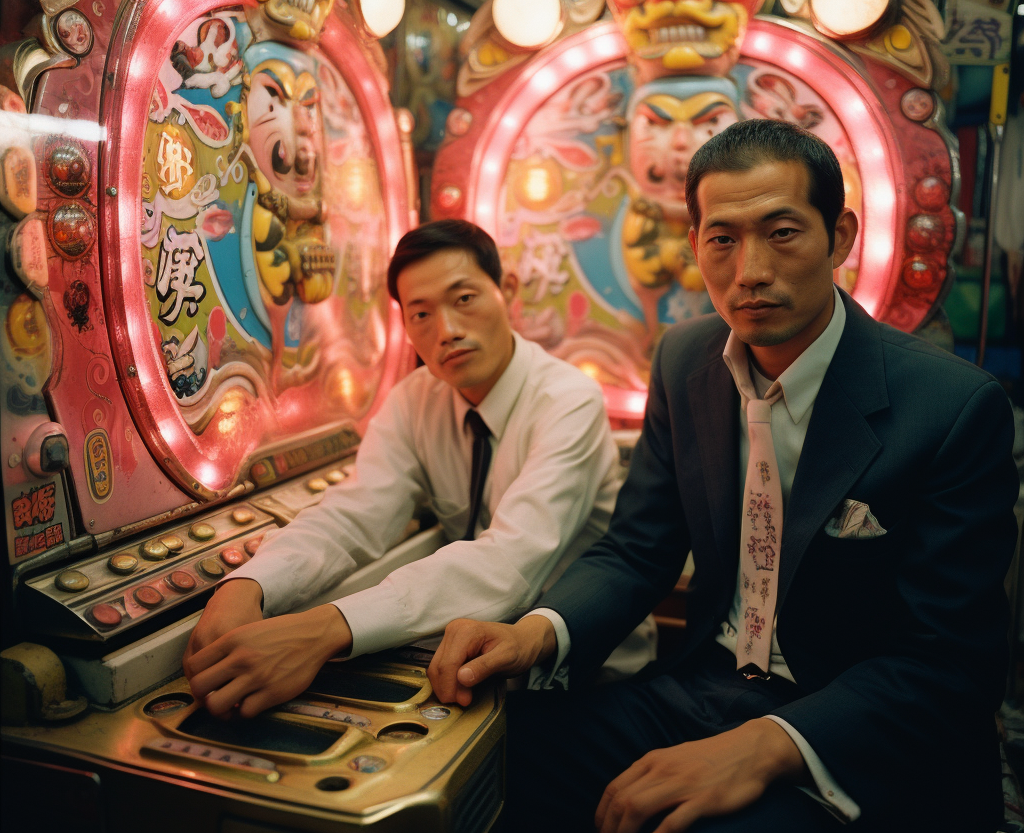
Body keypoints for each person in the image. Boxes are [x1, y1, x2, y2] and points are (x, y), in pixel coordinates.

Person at [427, 118, 1019, 833]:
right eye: (723, 239)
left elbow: (949, 660)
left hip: (852, 727)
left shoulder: (953, 407)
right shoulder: (685, 360)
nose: (751, 272)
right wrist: (540, 632)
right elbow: (637, 550)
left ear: (840, 237)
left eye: (782, 233)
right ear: (695, 247)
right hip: (704, 688)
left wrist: (770, 745)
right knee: (489, 758)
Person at [183, 219, 655, 718]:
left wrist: (322, 631)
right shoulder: (414, 400)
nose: (447, 330)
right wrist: (248, 586)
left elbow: (509, 564)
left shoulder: (568, 400)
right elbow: (354, 515)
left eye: (464, 299)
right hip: (472, 660)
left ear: (507, 292)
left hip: (587, 675)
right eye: (421, 314)